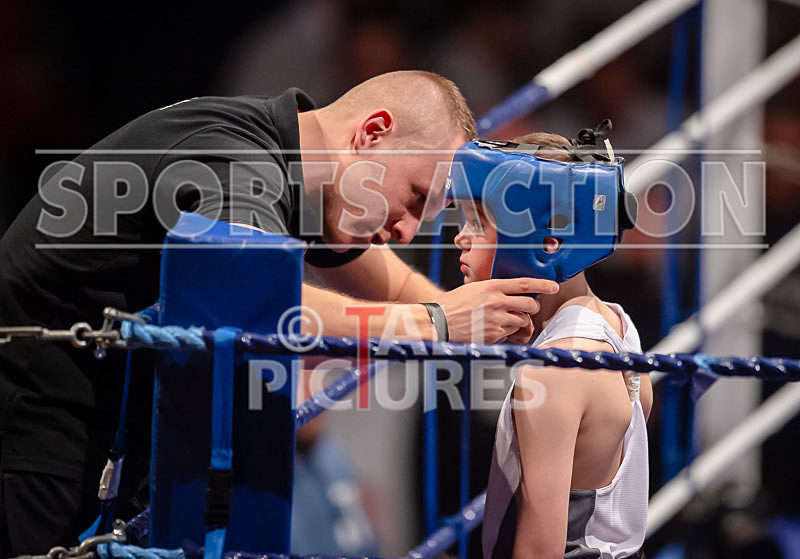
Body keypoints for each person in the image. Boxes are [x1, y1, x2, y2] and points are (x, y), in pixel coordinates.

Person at [0, 70, 559, 554]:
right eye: (415, 197)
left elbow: (386, 278)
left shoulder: (301, 166)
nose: (407, 231)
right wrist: (437, 323)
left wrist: (489, 313)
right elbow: (244, 294)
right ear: (371, 132)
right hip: (33, 431)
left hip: (94, 439)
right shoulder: (236, 157)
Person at [448, 127, 653, 558]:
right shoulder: (619, 326)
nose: (460, 238)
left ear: (547, 242)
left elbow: (539, 551)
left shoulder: (556, 371)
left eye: (477, 222)